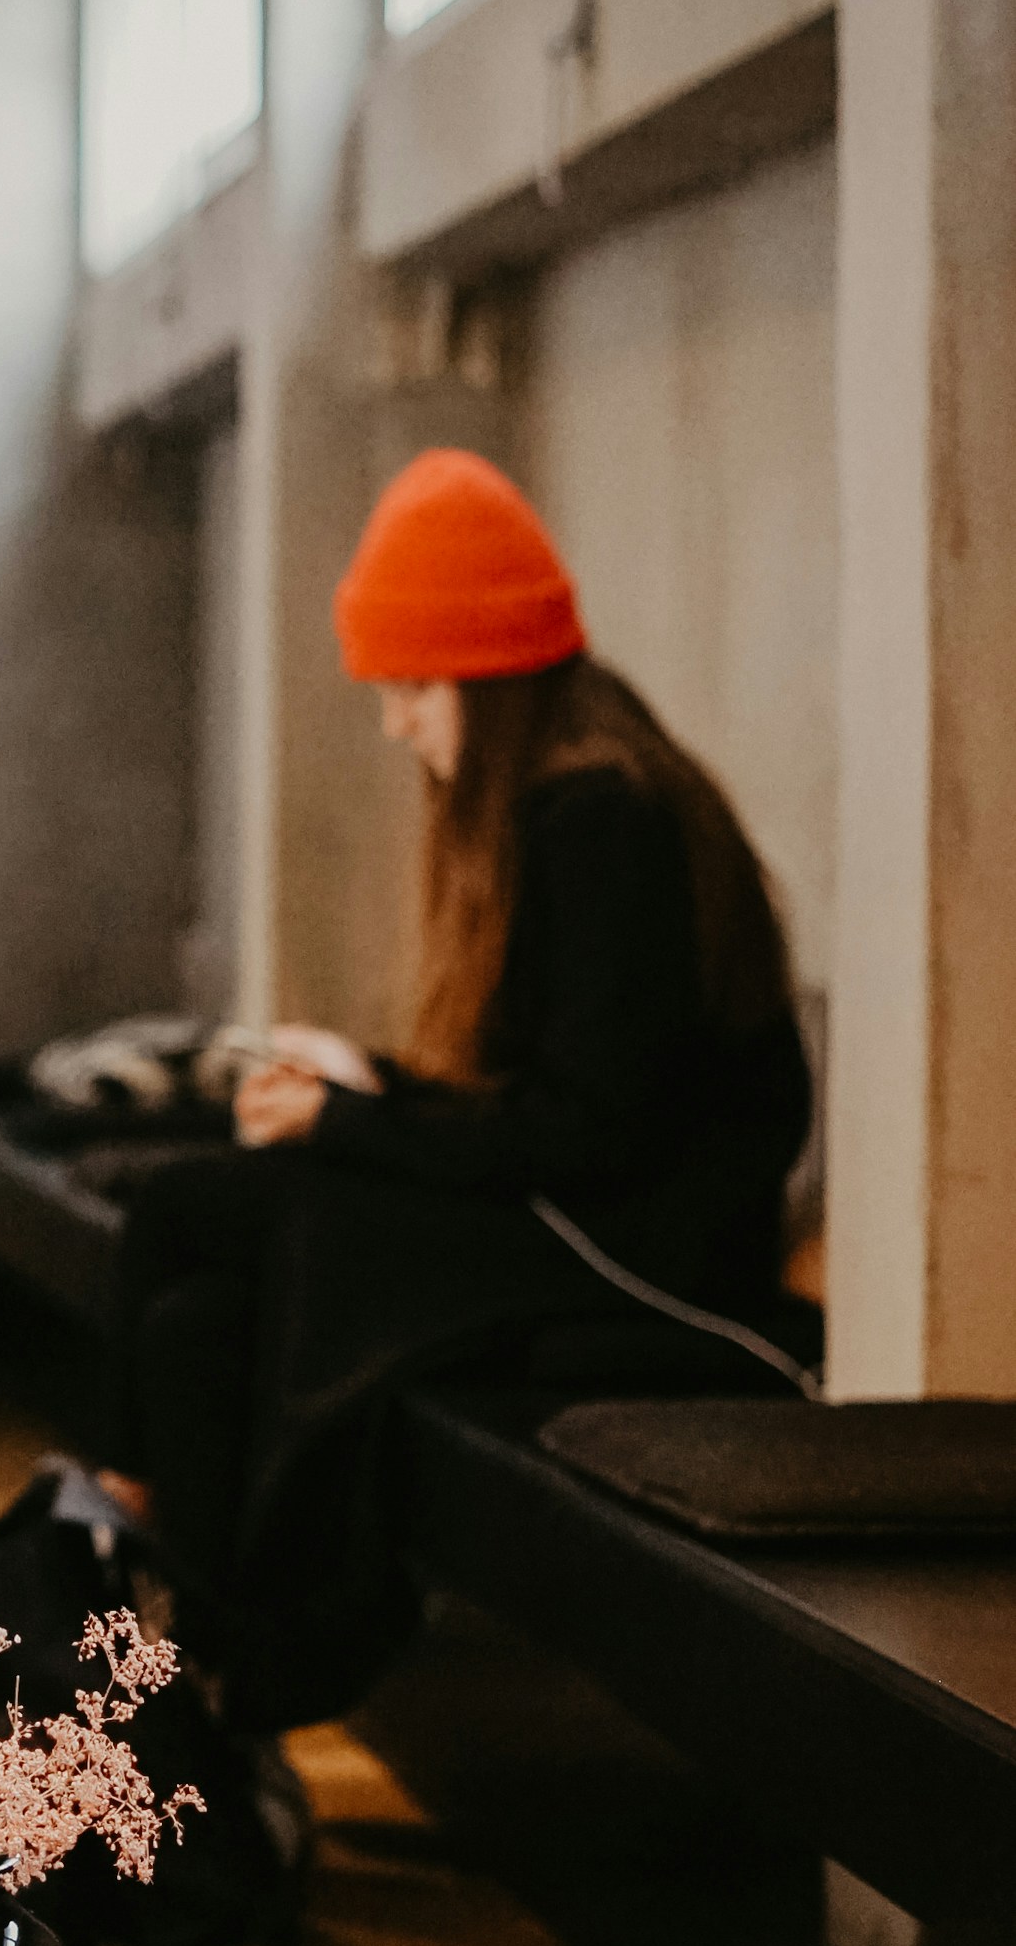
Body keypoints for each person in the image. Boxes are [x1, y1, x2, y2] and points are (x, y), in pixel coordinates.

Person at [118, 448, 814, 1729]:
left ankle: (200, 1641)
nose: (395, 724)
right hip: (574, 1209)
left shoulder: (602, 816)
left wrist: (351, 1119)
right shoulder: (582, 800)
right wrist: (373, 1082)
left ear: (489, 678)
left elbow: (589, 1138)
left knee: (190, 1213)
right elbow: (564, 1093)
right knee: (192, 1317)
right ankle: (204, 1677)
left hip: (629, 1254)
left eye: (414, 687)